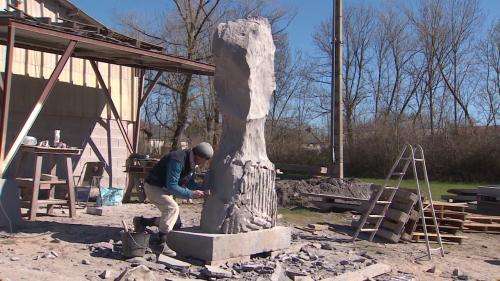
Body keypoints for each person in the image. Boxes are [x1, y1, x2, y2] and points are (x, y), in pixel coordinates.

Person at [133, 142, 213, 257]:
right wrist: (191, 194)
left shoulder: (191, 162)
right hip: (154, 186)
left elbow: (188, 183)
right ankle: (159, 243)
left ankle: (142, 222)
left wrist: (202, 189)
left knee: (175, 223)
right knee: (172, 208)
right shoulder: (178, 159)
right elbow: (172, 186)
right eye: (205, 160)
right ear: (199, 156)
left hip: (163, 188)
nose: (204, 163)